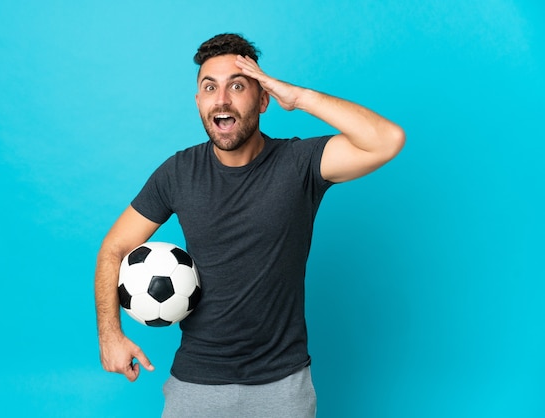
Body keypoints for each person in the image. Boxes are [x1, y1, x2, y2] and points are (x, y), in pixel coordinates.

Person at [94, 33, 405, 417]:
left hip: (283, 387)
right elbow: (114, 248)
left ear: (263, 100)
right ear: (198, 102)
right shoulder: (178, 172)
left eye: (237, 86)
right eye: (210, 88)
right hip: (196, 385)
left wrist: (300, 97)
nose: (221, 99)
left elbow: (386, 140)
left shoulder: (299, 163)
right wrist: (110, 337)